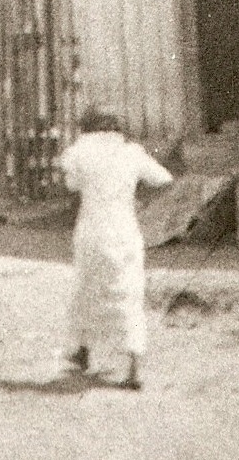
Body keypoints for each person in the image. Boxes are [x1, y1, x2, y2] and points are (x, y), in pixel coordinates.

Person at [57, 107, 174, 390]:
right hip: (124, 229)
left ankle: (83, 350)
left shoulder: (78, 151)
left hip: (91, 230)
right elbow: (164, 180)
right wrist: (138, 198)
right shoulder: (131, 152)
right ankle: (133, 369)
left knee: (86, 288)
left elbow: (71, 185)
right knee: (128, 293)